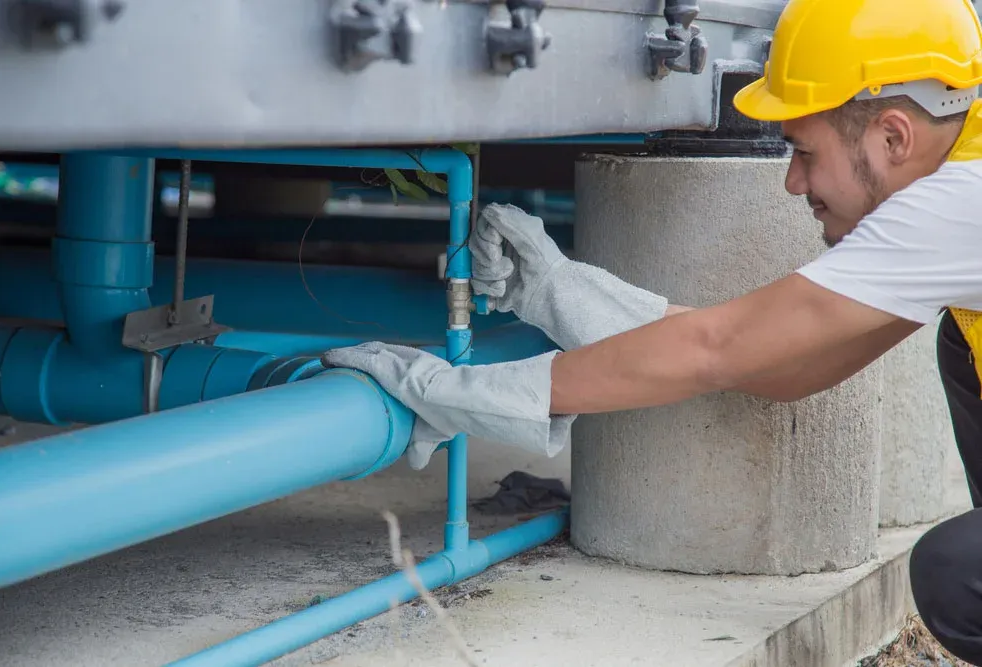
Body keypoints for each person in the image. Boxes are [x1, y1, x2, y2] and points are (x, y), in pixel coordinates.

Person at [322, 0, 982, 661]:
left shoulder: (959, 200)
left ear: (894, 136)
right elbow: (790, 365)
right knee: (961, 346)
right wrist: (567, 294)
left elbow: (718, 348)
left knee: (958, 575)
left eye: (805, 150)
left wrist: (466, 390)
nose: (791, 180)